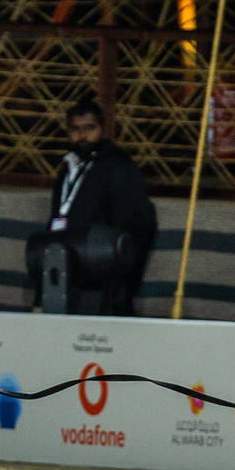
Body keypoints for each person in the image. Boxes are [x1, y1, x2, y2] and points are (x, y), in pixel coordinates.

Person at [28, 96, 156, 314]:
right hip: (65, 259)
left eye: (90, 128)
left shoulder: (117, 167)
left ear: (102, 129)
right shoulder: (67, 168)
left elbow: (135, 222)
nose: (83, 135)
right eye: (76, 129)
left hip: (100, 265)